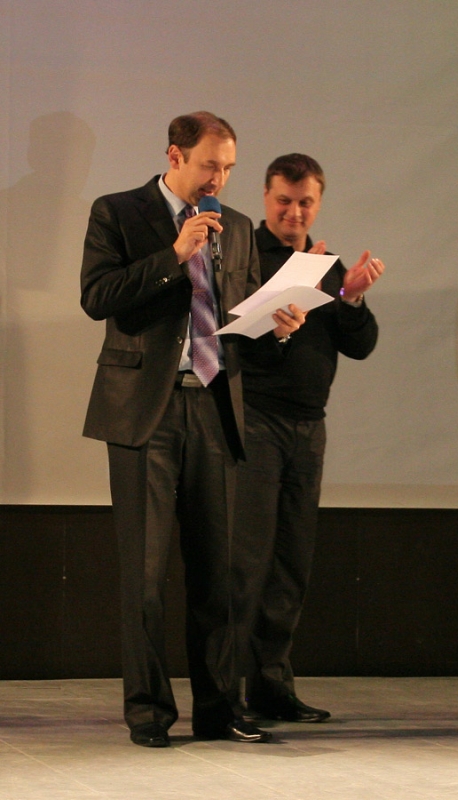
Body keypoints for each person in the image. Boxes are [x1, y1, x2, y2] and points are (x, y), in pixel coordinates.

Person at [80, 113, 304, 747]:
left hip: (214, 404)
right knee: (146, 576)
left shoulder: (236, 227)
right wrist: (173, 256)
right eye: (210, 165)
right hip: (144, 411)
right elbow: (97, 297)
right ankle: (149, 712)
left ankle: (219, 707)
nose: (219, 179)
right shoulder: (118, 212)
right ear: (175, 155)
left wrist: (276, 328)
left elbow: (237, 318)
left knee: (218, 573)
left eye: (229, 168)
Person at [232, 153, 384, 723]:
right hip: (255, 420)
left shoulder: (326, 264)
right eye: (284, 201)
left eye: (305, 203)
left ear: (318, 204)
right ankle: (228, 692)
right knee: (246, 561)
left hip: (308, 426)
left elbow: (360, 344)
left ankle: (272, 686)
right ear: (266, 198)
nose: (294, 212)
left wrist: (350, 296)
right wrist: (283, 297)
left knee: (290, 562)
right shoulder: (245, 256)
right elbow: (234, 339)